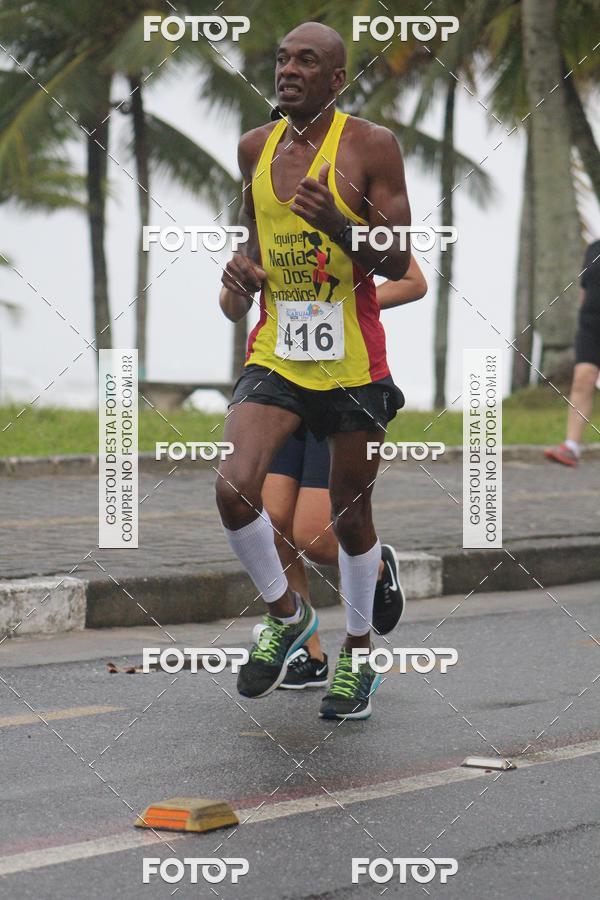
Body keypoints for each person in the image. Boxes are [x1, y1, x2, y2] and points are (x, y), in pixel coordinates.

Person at [216, 21, 412, 720]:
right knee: (233, 490)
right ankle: (288, 614)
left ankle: (358, 655)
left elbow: (395, 256)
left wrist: (341, 225)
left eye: (307, 61)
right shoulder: (253, 149)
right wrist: (236, 282)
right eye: (282, 57)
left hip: (353, 364)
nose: (288, 69)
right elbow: (245, 267)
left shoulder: (370, 146)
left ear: (336, 79)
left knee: (350, 521)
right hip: (277, 354)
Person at [220, 261, 428, 688]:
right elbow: (231, 306)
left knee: (314, 535)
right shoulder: (263, 213)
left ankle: (377, 568)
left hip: (339, 385)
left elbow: (413, 282)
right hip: (277, 380)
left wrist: (342, 306)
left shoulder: (346, 205)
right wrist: (236, 288)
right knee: (272, 519)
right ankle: (310, 654)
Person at [545, 240, 600, 467]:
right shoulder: (593, 249)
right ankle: (571, 447)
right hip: (590, 326)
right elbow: (584, 290)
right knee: (582, 380)